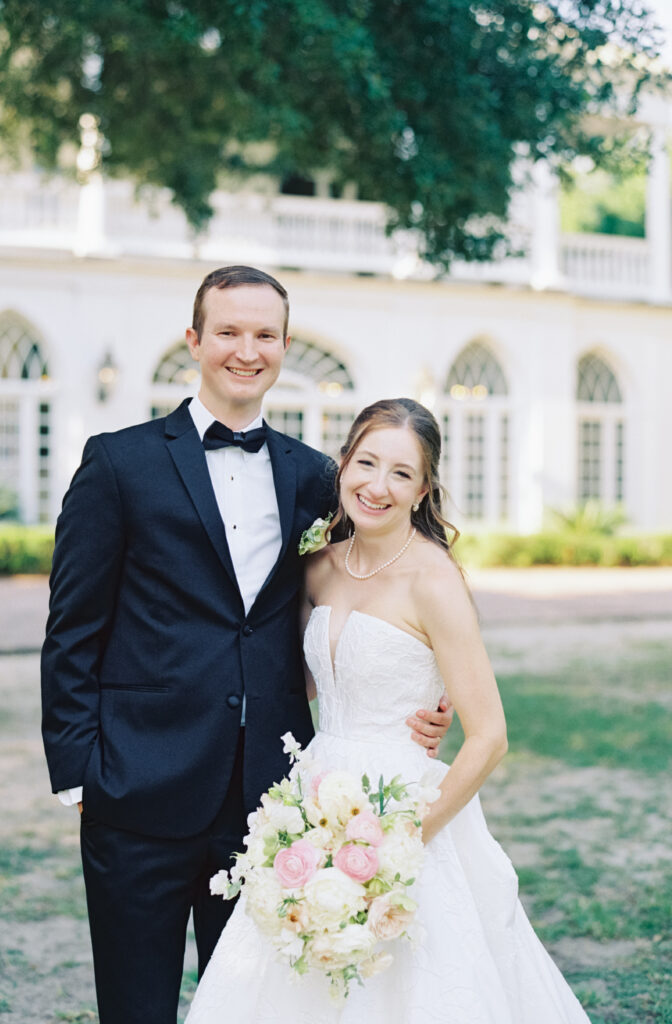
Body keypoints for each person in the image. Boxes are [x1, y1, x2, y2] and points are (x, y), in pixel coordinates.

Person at [40, 267, 453, 1024]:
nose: (246, 349)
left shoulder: (313, 477)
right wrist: (80, 774)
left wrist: (432, 688)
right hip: (136, 790)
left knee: (258, 1010)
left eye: (265, 334)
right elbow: (71, 628)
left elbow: (389, 571)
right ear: (194, 341)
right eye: (228, 331)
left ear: (285, 347)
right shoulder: (117, 462)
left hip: (273, 804)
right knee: (136, 1010)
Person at [185, 397, 592, 1023]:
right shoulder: (318, 568)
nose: (377, 486)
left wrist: (403, 842)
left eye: (401, 473)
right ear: (343, 464)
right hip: (316, 798)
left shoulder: (433, 581)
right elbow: (305, 687)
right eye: (366, 462)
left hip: (402, 808)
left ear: (423, 487)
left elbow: (490, 737)